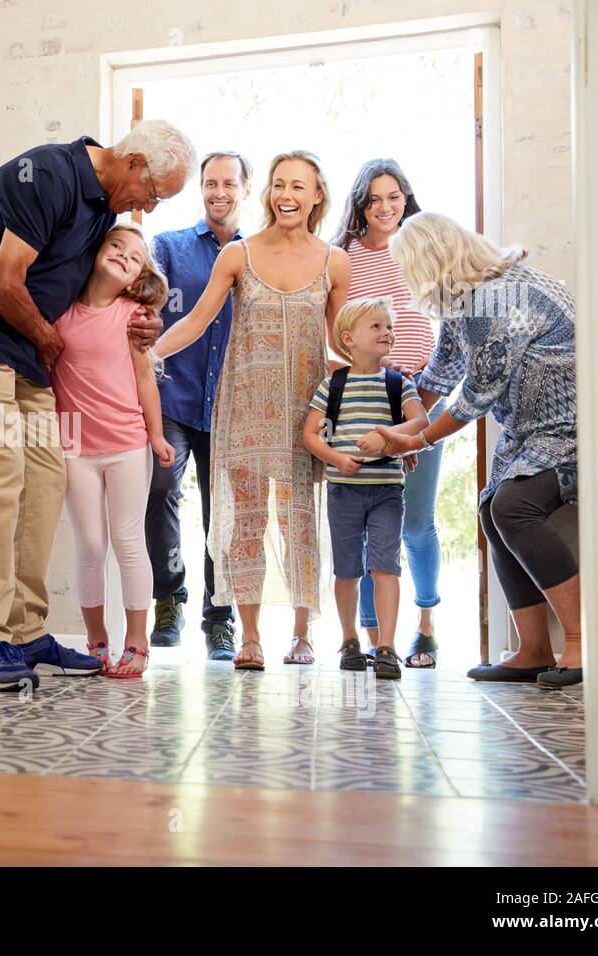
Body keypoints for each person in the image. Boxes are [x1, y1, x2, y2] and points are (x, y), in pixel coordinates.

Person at [0, 120, 196, 690]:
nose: (147, 207)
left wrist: (138, 323)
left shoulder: (100, 207)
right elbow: (3, 283)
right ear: (135, 164)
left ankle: (25, 631)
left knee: (45, 484)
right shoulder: (49, 174)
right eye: (154, 194)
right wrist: (50, 340)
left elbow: (88, 295)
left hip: (29, 355)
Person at [151, 150, 350, 670]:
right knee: (246, 521)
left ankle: (302, 635)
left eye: (299, 187)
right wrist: (148, 356)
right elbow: (194, 322)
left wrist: (393, 393)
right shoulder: (239, 255)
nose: (287, 194)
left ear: (317, 196)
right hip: (242, 409)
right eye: (280, 184)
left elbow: (343, 345)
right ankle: (251, 637)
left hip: (306, 412)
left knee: (298, 521)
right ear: (267, 192)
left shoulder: (335, 262)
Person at [370, 212, 582, 687]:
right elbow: (439, 377)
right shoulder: (465, 299)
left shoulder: (497, 298)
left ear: (431, 263)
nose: (409, 280)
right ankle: (532, 649)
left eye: (409, 268)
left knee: (512, 507)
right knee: (494, 509)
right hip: (532, 432)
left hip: (571, 431)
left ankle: (581, 638)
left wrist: (415, 440)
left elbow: (473, 396)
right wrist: (393, 428)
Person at [332, 159, 444, 668]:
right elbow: (335, 335)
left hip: (423, 399)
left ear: (406, 199)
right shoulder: (345, 258)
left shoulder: (422, 254)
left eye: (393, 196)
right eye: (374, 198)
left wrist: (416, 422)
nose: (384, 206)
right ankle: (379, 641)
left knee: (416, 523)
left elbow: (444, 331)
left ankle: (426, 623)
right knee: (368, 530)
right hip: (365, 406)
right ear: (361, 204)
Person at [52, 225, 176, 679]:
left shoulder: (132, 317)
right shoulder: (60, 311)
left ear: (139, 276)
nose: (125, 256)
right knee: (89, 544)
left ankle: (138, 643)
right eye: (117, 246)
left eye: (137, 257)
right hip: (75, 449)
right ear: (95, 249)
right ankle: (96, 642)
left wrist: (158, 436)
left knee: (127, 541)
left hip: (127, 445)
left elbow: (146, 380)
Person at [145, 150, 252, 660]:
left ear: (245, 190)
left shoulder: (259, 255)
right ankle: (169, 599)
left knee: (223, 512)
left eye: (229, 182)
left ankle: (220, 615)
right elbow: (142, 303)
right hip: (173, 395)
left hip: (233, 404)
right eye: (210, 182)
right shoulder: (168, 247)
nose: (218, 191)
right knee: (161, 485)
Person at [303, 298, 428, 678]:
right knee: (347, 569)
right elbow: (310, 434)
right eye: (376, 326)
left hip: (387, 491)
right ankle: (349, 640)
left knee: (385, 567)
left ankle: (386, 646)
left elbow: (420, 421)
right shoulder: (334, 384)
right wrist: (336, 459)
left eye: (388, 327)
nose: (387, 333)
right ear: (348, 339)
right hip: (344, 491)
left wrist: (387, 435)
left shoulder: (398, 383)